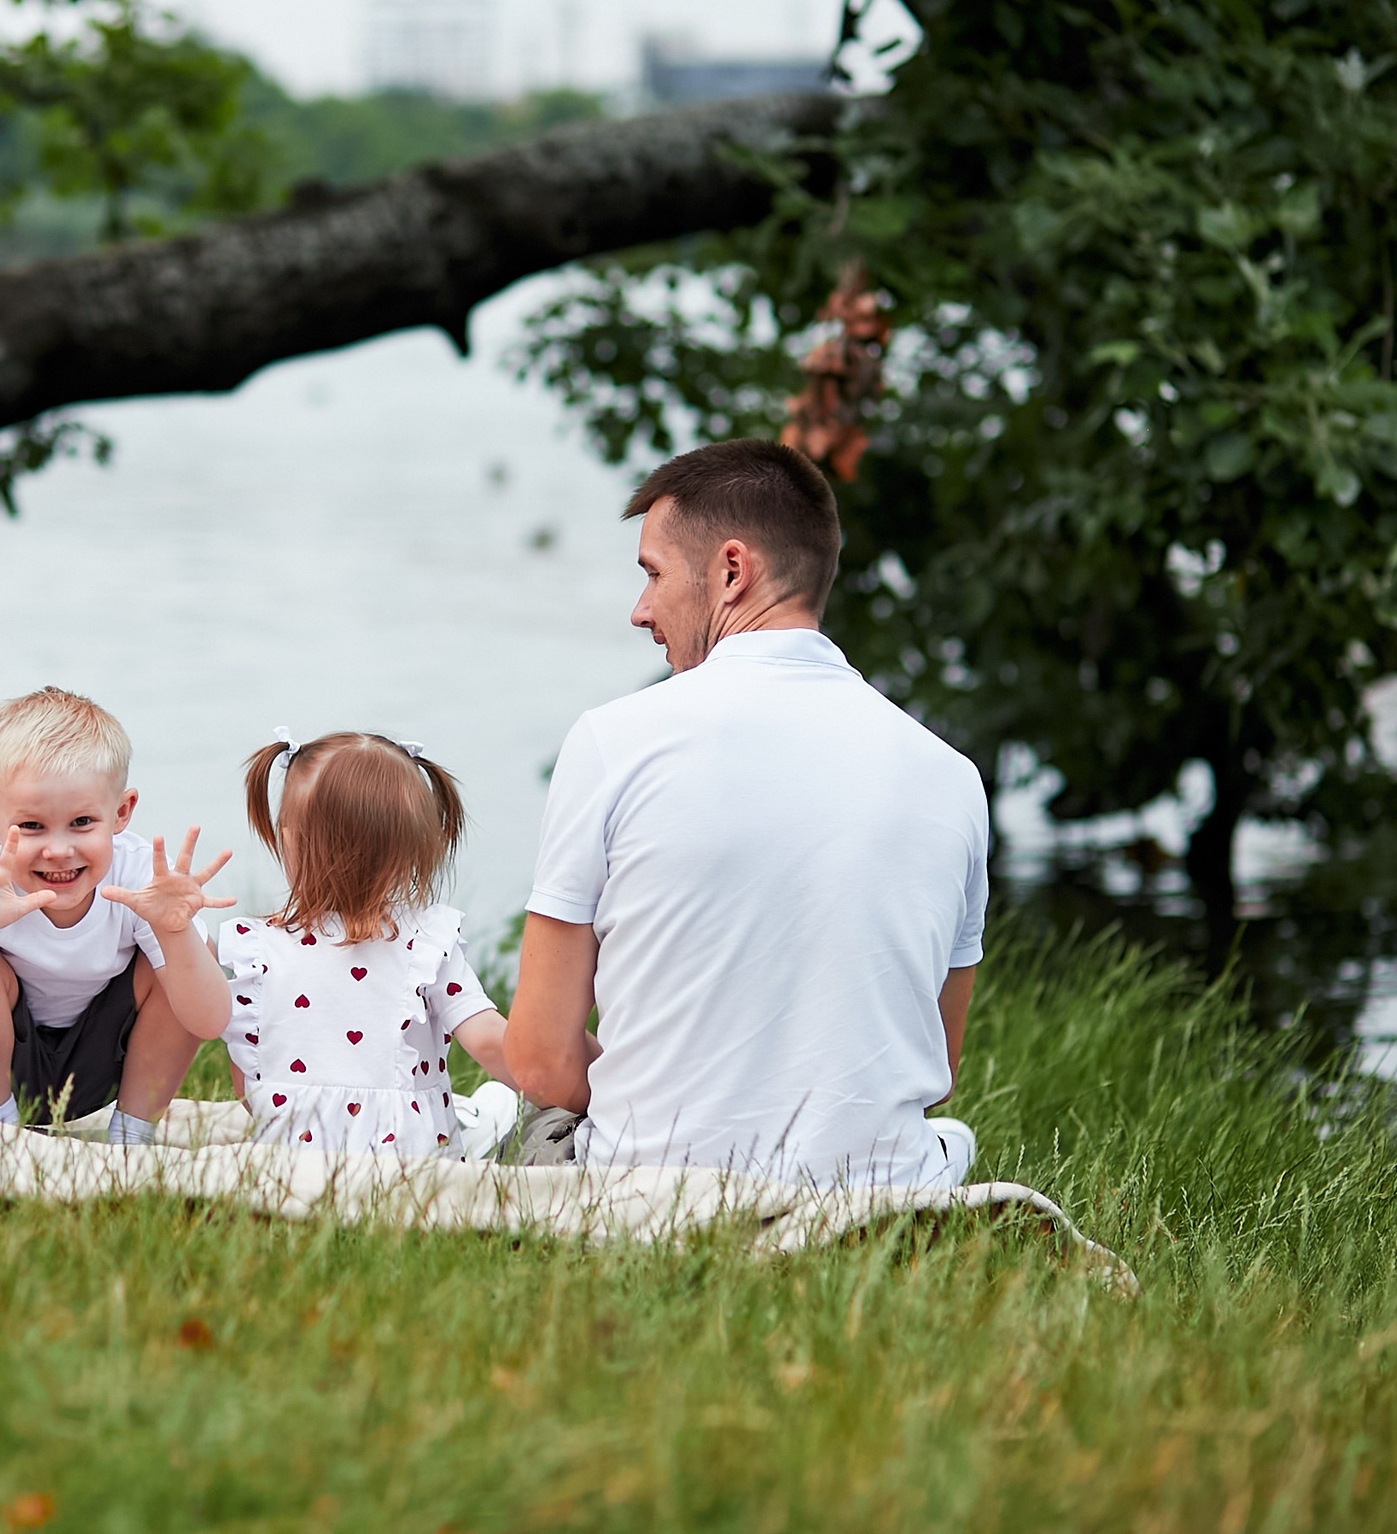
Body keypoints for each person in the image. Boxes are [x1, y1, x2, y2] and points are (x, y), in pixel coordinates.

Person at [508, 438, 989, 1186]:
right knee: (949, 1137)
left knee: (530, 1123)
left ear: (732, 570)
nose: (640, 610)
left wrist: (656, 1104)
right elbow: (936, 1066)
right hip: (875, 1198)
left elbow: (540, 1060)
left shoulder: (615, 740)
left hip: (651, 1195)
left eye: (654, 574)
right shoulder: (952, 778)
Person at [0, 687, 235, 1144]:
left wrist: (176, 934)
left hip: (103, 1067)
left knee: (185, 954)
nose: (58, 850)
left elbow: (210, 1022)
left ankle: (132, 1135)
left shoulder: (140, 876)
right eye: (31, 826)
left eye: (81, 823)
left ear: (121, 812)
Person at [217, 731, 513, 1154]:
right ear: (413, 848)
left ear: (288, 838)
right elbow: (487, 1039)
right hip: (409, 1159)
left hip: (289, 1157)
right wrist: (570, 1084)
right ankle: (468, 1126)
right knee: (495, 1105)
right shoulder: (427, 942)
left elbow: (248, 1079)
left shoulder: (257, 948)